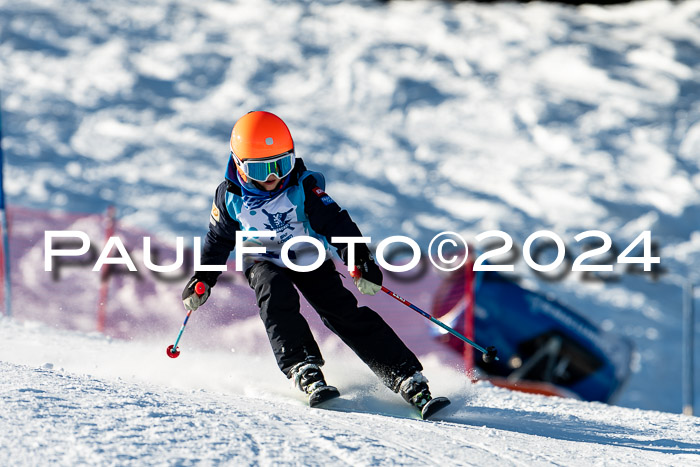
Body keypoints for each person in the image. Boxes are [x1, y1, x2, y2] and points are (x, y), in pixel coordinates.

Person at [181, 111, 439, 412]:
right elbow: (218, 241)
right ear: (239, 165)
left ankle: (405, 375)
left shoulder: (302, 186)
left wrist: (359, 261)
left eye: (281, 164)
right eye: (261, 170)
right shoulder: (230, 196)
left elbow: (336, 223)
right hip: (262, 258)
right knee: (275, 293)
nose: (273, 177)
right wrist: (203, 278)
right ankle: (302, 366)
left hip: (307, 254)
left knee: (341, 310)